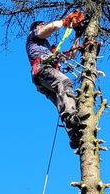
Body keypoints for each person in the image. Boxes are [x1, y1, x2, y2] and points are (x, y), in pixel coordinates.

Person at [26, 11, 85, 149]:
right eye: (42, 25)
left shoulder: (49, 49)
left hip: (42, 77)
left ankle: (74, 134)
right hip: (42, 69)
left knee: (61, 101)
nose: (44, 26)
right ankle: (72, 116)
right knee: (64, 83)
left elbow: (69, 57)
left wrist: (77, 36)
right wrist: (64, 22)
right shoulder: (33, 36)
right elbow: (48, 29)